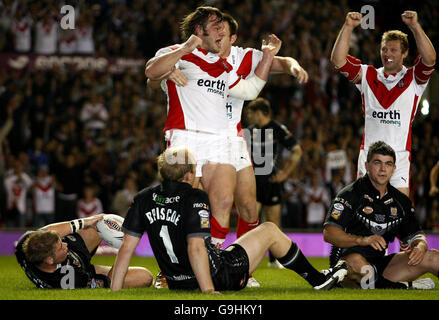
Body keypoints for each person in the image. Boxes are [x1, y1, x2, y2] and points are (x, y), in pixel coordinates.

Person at [144, 6, 280, 287]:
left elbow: (250, 91)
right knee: (182, 207)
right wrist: (183, 51)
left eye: (222, 27)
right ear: (198, 30)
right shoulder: (175, 53)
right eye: (215, 26)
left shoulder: (223, 66)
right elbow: (151, 71)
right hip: (185, 137)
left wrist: (268, 57)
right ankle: (172, 270)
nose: (222, 31)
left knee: (221, 203)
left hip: (218, 139)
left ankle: (213, 264)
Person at [110, 146, 347, 292]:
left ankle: (318, 278)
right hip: (218, 276)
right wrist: (209, 291)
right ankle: (317, 279)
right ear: (190, 174)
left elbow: (126, 249)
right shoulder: (195, 197)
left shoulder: (143, 198)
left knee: (230, 247)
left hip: (177, 280)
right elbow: (195, 248)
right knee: (270, 229)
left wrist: (115, 291)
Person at [330, 10, 436, 199]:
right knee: (365, 215)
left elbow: (430, 59)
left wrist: (415, 27)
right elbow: (338, 61)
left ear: (405, 53)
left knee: (399, 216)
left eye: (393, 50)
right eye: (384, 49)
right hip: (370, 157)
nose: (387, 54)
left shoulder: (414, 78)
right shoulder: (368, 75)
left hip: (399, 157)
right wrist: (348, 27)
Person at [323, 141, 439, 289]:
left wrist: (420, 246)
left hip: (382, 266)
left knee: (433, 257)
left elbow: (416, 234)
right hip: (350, 264)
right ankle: (404, 287)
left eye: (388, 164)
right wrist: (362, 240)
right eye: (377, 163)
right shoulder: (350, 194)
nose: (383, 169)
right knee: (356, 263)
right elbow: (329, 233)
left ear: (394, 168)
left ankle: (396, 285)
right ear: (367, 166)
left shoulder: (400, 201)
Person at [15, 213, 153, 289]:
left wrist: (86, 222)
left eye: (61, 240)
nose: (65, 244)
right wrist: (124, 253)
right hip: (84, 271)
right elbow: (109, 282)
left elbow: (49, 230)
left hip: (78, 251)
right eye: (60, 247)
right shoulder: (68, 280)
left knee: (101, 222)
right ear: (49, 260)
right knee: (145, 277)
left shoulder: (25, 243)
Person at [246, 97, 303, 267]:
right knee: (251, 222)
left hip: (271, 182)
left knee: (273, 222)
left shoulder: (278, 129)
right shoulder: (248, 131)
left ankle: (274, 259)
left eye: (250, 113)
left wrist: (285, 173)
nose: (248, 116)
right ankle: (248, 258)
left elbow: (297, 150)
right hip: (253, 183)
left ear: (259, 112)